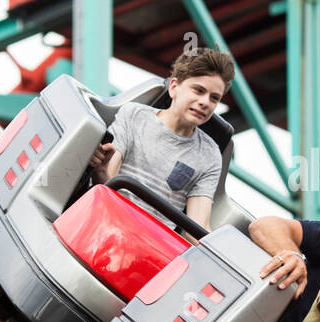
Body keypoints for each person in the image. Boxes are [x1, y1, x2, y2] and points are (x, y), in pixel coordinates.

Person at [88, 48, 234, 230]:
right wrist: (100, 171)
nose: (205, 102)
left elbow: (197, 227)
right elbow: (108, 180)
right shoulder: (134, 115)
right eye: (198, 91)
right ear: (174, 87)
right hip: (109, 218)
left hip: (155, 242)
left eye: (214, 98)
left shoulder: (210, 154)